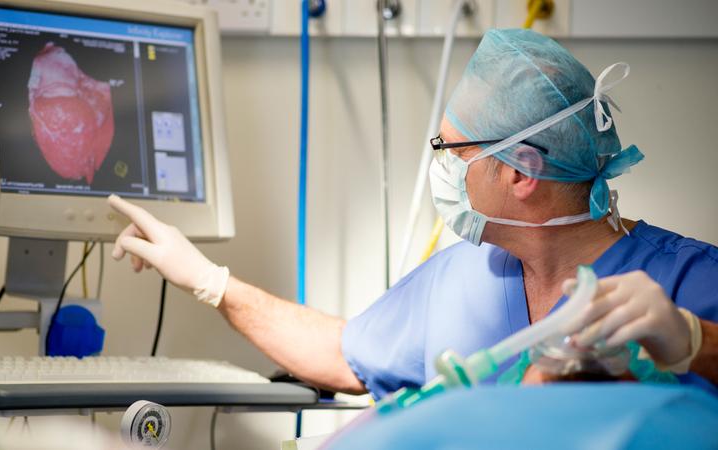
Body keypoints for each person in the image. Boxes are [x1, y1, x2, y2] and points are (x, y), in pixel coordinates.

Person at [107, 28, 718, 400]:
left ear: (521, 171)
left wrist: (695, 343)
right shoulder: (463, 279)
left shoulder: (688, 282)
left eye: (451, 149)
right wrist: (209, 282)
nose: (440, 166)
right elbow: (343, 353)